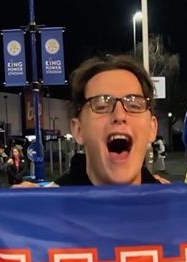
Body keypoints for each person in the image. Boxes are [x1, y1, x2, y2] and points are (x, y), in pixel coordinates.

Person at [55, 55, 161, 186]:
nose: (119, 115)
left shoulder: (175, 203)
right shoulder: (44, 204)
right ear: (78, 130)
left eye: (134, 106)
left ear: (152, 128)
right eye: (102, 106)